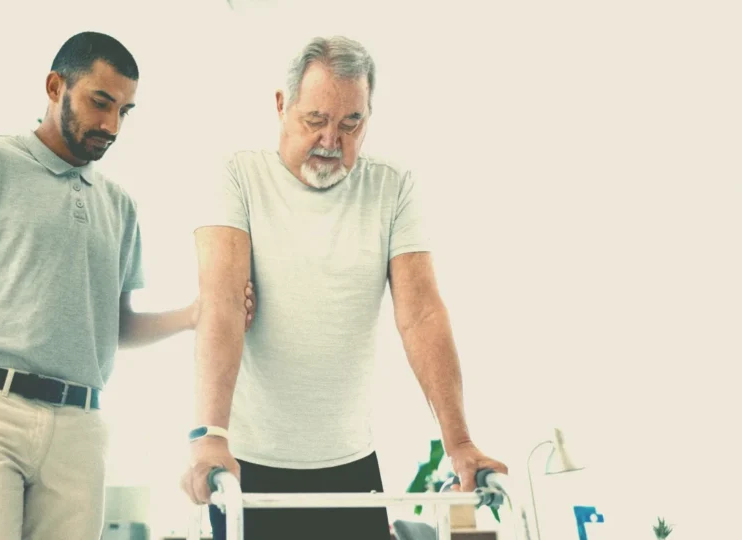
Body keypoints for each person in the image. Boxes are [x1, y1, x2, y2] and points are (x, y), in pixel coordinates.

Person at [0, 31, 254, 540]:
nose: (111, 124)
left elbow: (115, 325)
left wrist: (197, 313)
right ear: (56, 86)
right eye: (99, 103)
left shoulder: (120, 207)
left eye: (125, 111)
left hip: (82, 425)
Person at [181, 35, 509, 540]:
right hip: (248, 465)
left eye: (351, 123)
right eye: (316, 120)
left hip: (351, 465)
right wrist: (210, 437)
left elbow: (420, 314)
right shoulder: (238, 176)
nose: (332, 140)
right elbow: (223, 303)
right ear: (281, 106)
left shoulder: (392, 187)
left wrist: (459, 442)